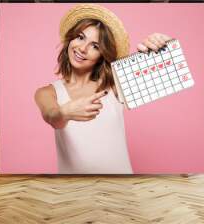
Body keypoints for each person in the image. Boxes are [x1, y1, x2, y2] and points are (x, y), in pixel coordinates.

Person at [34, 4, 172, 174]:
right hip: (72, 193)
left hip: (119, 190)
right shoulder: (47, 92)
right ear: (70, 39)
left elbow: (166, 71)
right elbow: (52, 117)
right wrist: (65, 113)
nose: (82, 49)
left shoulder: (114, 85)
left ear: (102, 55)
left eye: (95, 46)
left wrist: (162, 43)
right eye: (80, 37)